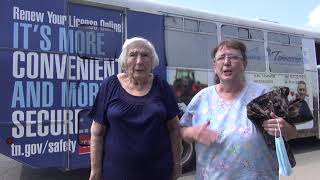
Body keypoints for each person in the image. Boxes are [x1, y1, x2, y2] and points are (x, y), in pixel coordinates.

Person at [180, 39, 297, 179]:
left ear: (244, 64)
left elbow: (291, 133)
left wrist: (283, 128)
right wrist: (192, 132)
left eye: (233, 57)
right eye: (221, 58)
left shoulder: (265, 95)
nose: (226, 62)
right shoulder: (201, 98)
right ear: (214, 66)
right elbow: (181, 131)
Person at [89, 37, 181, 180]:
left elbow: (174, 128)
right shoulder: (110, 85)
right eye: (133, 55)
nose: (139, 61)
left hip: (157, 173)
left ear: (152, 61)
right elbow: (97, 133)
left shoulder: (162, 86)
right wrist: (95, 171)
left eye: (145, 55)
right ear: (125, 60)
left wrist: (177, 165)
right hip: (116, 173)